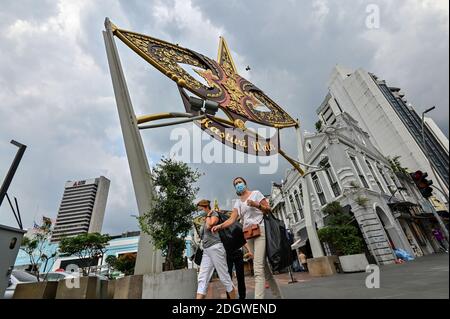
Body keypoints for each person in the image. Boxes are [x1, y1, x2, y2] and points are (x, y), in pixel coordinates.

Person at [212, 177, 283, 299]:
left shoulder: (256, 193)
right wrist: (219, 226)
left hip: (260, 231)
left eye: (240, 182)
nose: (238, 185)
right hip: (248, 235)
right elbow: (232, 219)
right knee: (265, 270)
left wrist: (256, 205)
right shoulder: (238, 202)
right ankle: (279, 296)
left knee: (258, 269)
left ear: (245, 183)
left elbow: (268, 210)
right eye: (236, 184)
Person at [195, 199, 237, 299]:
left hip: (215, 248)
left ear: (204, 206)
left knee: (224, 278)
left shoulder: (213, 213)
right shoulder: (205, 218)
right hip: (206, 250)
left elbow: (210, 225)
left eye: (199, 207)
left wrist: (209, 214)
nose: (198, 210)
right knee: (202, 278)